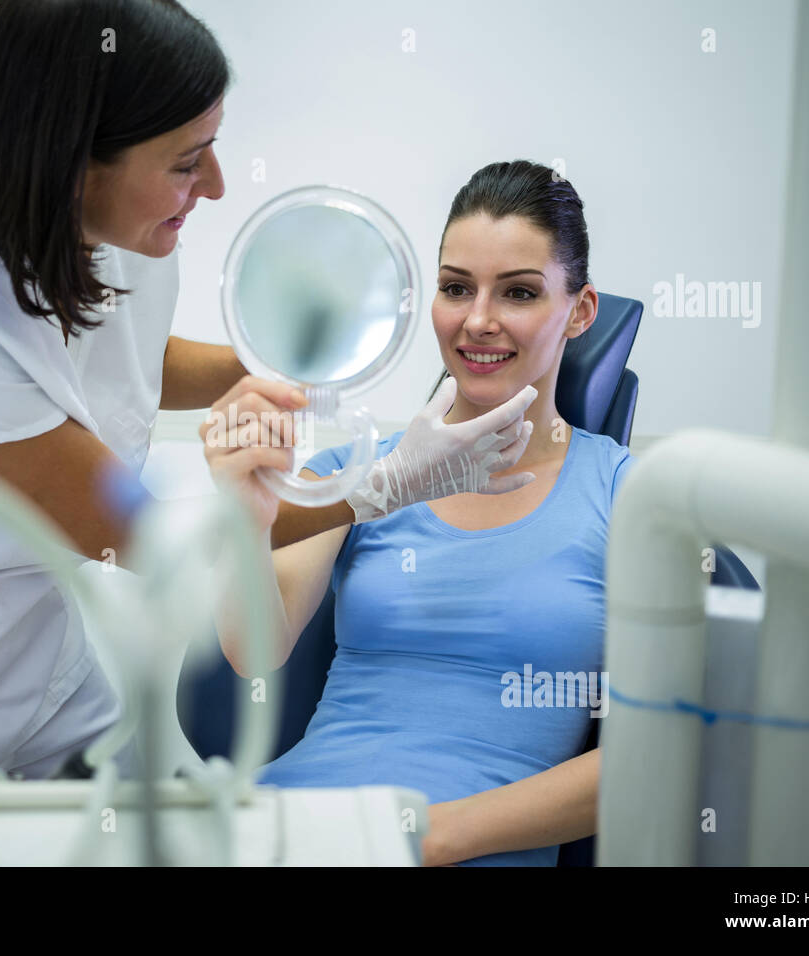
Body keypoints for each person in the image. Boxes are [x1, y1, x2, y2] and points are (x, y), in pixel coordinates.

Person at [0, 0, 536, 785]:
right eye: (188, 162)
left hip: (34, 663)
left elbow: (127, 362)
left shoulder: (116, 229)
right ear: (71, 163)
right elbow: (142, 537)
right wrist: (392, 483)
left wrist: (263, 360)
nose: (217, 186)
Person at [206, 160, 634, 866]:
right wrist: (246, 519)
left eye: (519, 292)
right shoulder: (359, 473)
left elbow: (656, 751)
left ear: (581, 310)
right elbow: (255, 652)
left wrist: (423, 834)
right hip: (290, 830)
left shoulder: (625, 495)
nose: (478, 320)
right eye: (455, 288)